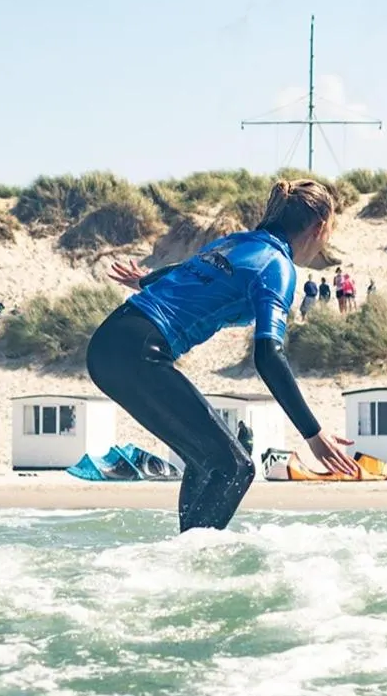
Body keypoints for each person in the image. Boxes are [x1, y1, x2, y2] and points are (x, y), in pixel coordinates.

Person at [88, 179, 359, 533]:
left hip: (109, 342)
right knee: (236, 467)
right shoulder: (276, 266)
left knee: (208, 462)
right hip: (139, 351)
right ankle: (192, 563)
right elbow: (268, 354)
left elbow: (185, 271)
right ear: (320, 227)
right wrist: (314, 434)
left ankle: (188, 553)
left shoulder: (236, 242)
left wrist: (146, 281)